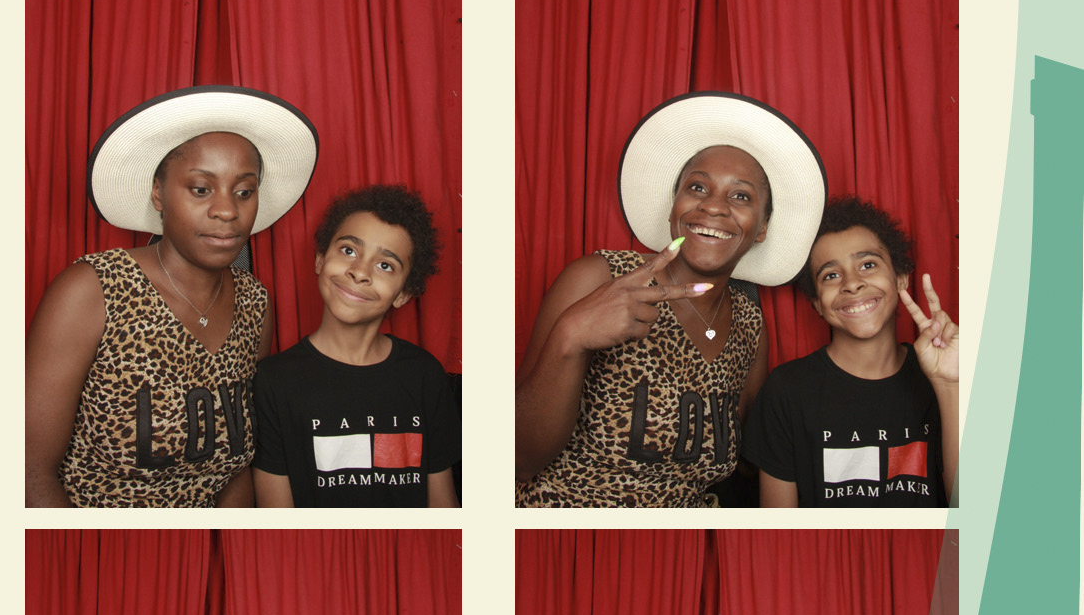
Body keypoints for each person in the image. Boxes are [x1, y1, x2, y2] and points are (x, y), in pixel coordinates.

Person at [515, 92, 826, 507]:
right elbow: (519, 459)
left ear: (763, 228)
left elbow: (753, 458)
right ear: (673, 206)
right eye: (697, 187)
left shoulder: (750, 325)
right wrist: (570, 337)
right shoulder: (599, 276)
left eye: (741, 196)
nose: (713, 206)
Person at [26, 85, 318, 507]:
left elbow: (234, 468)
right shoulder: (93, 290)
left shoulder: (254, 303)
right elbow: (29, 471)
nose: (227, 211)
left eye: (244, 191)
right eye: (201, 189)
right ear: (158, 193)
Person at [251, 185, 461, 507]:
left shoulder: (424, 376)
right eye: (349, 250)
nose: (360, 272)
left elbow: (443, 508)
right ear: (320, 259)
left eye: (385, 265)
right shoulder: (273, 382)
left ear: (404, 293)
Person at [742, 197, 960, 507]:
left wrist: (949, 385)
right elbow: (779, 528)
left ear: (901, 278)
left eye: (868, 265)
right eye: (831, 275)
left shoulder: (948, 377)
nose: (852, 284)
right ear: (817, 303)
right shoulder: (786, 391)